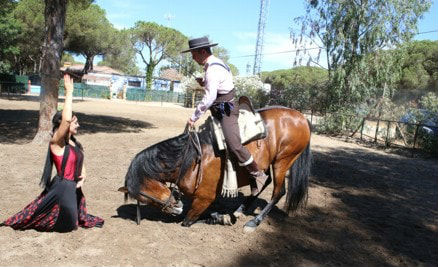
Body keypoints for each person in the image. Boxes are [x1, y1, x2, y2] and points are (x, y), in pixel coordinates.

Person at [0, 74, 104, 232]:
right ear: (64, 125)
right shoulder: (56, 142)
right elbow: (67, 120)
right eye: (75, 123)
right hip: (62, 187)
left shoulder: (73, 142)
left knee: (77, 220)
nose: (78, 125)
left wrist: (83, 176)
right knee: (69, 225)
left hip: (73, 188)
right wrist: (69, 93)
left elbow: (80, 162)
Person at [183, 36, 268, 196]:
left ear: (202, 51)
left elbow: (209, 98)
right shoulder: (215, 63)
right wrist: (205, 82)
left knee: (233, 144)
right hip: (219, 108)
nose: (193, 58)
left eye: (194, 54)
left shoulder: (212, 69)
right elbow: (220, 84)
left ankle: (258, 174)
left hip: (227, 111)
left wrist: (194, 117)